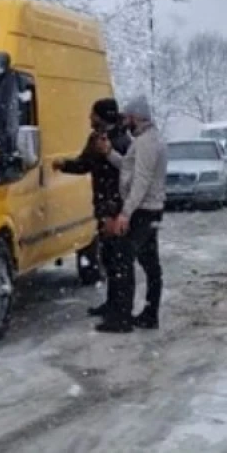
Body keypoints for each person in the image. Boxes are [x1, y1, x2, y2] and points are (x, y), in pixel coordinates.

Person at [52, 99, 132, 316]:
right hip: (103, 206)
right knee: (108, 258)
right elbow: (85, 164)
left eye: (93, 114)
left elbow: (128, 175)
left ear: (102, 116)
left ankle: (120, 308)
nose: (90, 118)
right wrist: (65, 165)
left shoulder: (122, 141)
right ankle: (112, 303)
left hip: (116, 209)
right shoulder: (96, 139)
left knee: (119, 261)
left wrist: (116, 210)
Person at [96, 95, 167, 333]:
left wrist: (126, 213)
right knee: (149, 262)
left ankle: (123, 318)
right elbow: (129, 167)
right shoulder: (145, 140)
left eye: (127, 117)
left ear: (136, 117)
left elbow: (141, 180)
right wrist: (109, 154)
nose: (124, 121)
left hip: (143, 211)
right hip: (149, 210)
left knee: (123, 260)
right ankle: (149, 314)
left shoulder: (146, 143)